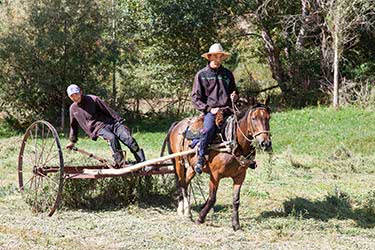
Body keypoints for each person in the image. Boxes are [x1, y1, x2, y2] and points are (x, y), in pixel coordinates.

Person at [65, 84, 148, 169]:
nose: (75, 97)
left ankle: (142, 163)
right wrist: (72, 141)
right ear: (69, 97)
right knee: (111, 138)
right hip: (97, 128)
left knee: (128, 139)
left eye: (76, 94)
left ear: (81, 92)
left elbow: (108, 110)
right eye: (72, 96)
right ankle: (121, 163)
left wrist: (120, 122)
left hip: (112, 123)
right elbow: (73, 126)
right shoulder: (73, 109)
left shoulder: (93, 99)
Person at [191, 43, 238, 174]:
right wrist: (208, 109)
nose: (218, 59)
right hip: (211, 111)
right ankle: (201, 157)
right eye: (215, 56)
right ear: (209, 57)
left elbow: (234, 91)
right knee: (208, 129)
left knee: (242, 127)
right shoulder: (202, 75)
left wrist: (235, 96)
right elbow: (195, 98)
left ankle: (244, 157)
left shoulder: (228, 74)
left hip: (228, 110)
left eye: (220, 56)